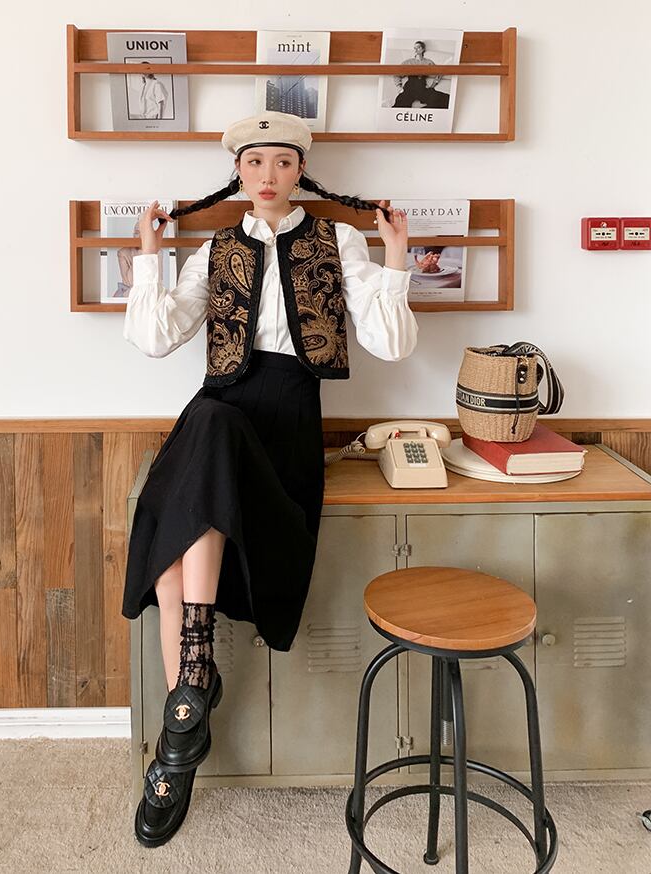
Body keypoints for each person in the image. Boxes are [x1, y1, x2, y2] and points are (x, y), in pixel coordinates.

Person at [122, 110, 418, 847]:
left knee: (179, 527)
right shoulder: (216, 248)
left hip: (283, 424)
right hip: (219, 412)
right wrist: (150, 257)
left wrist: (395, 257)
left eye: (281, 163)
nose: (266, 176)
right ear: (238, 171)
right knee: (200, 457)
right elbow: (155, 339)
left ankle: (181, 721)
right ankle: (187, 707)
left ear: (299, 171)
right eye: (254, 162)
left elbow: (389, 343)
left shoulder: (338, 241)